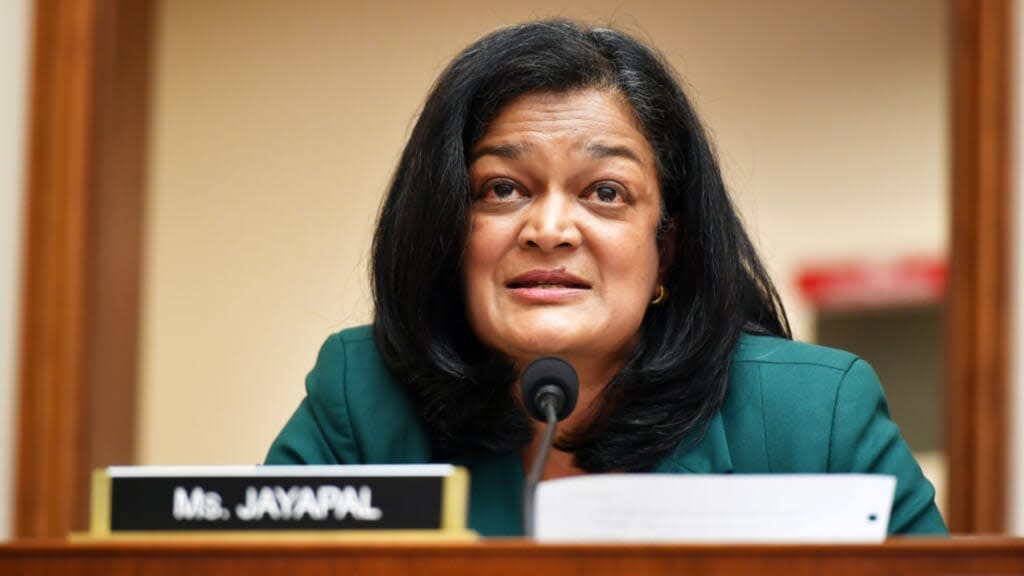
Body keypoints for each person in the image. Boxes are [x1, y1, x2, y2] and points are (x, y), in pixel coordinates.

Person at [265, 20, 946, 536]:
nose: (550, 229)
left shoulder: (814, 416)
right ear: (446, 228)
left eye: (606, 193)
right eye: (502, 188)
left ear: (667, 248)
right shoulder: (361, 399)